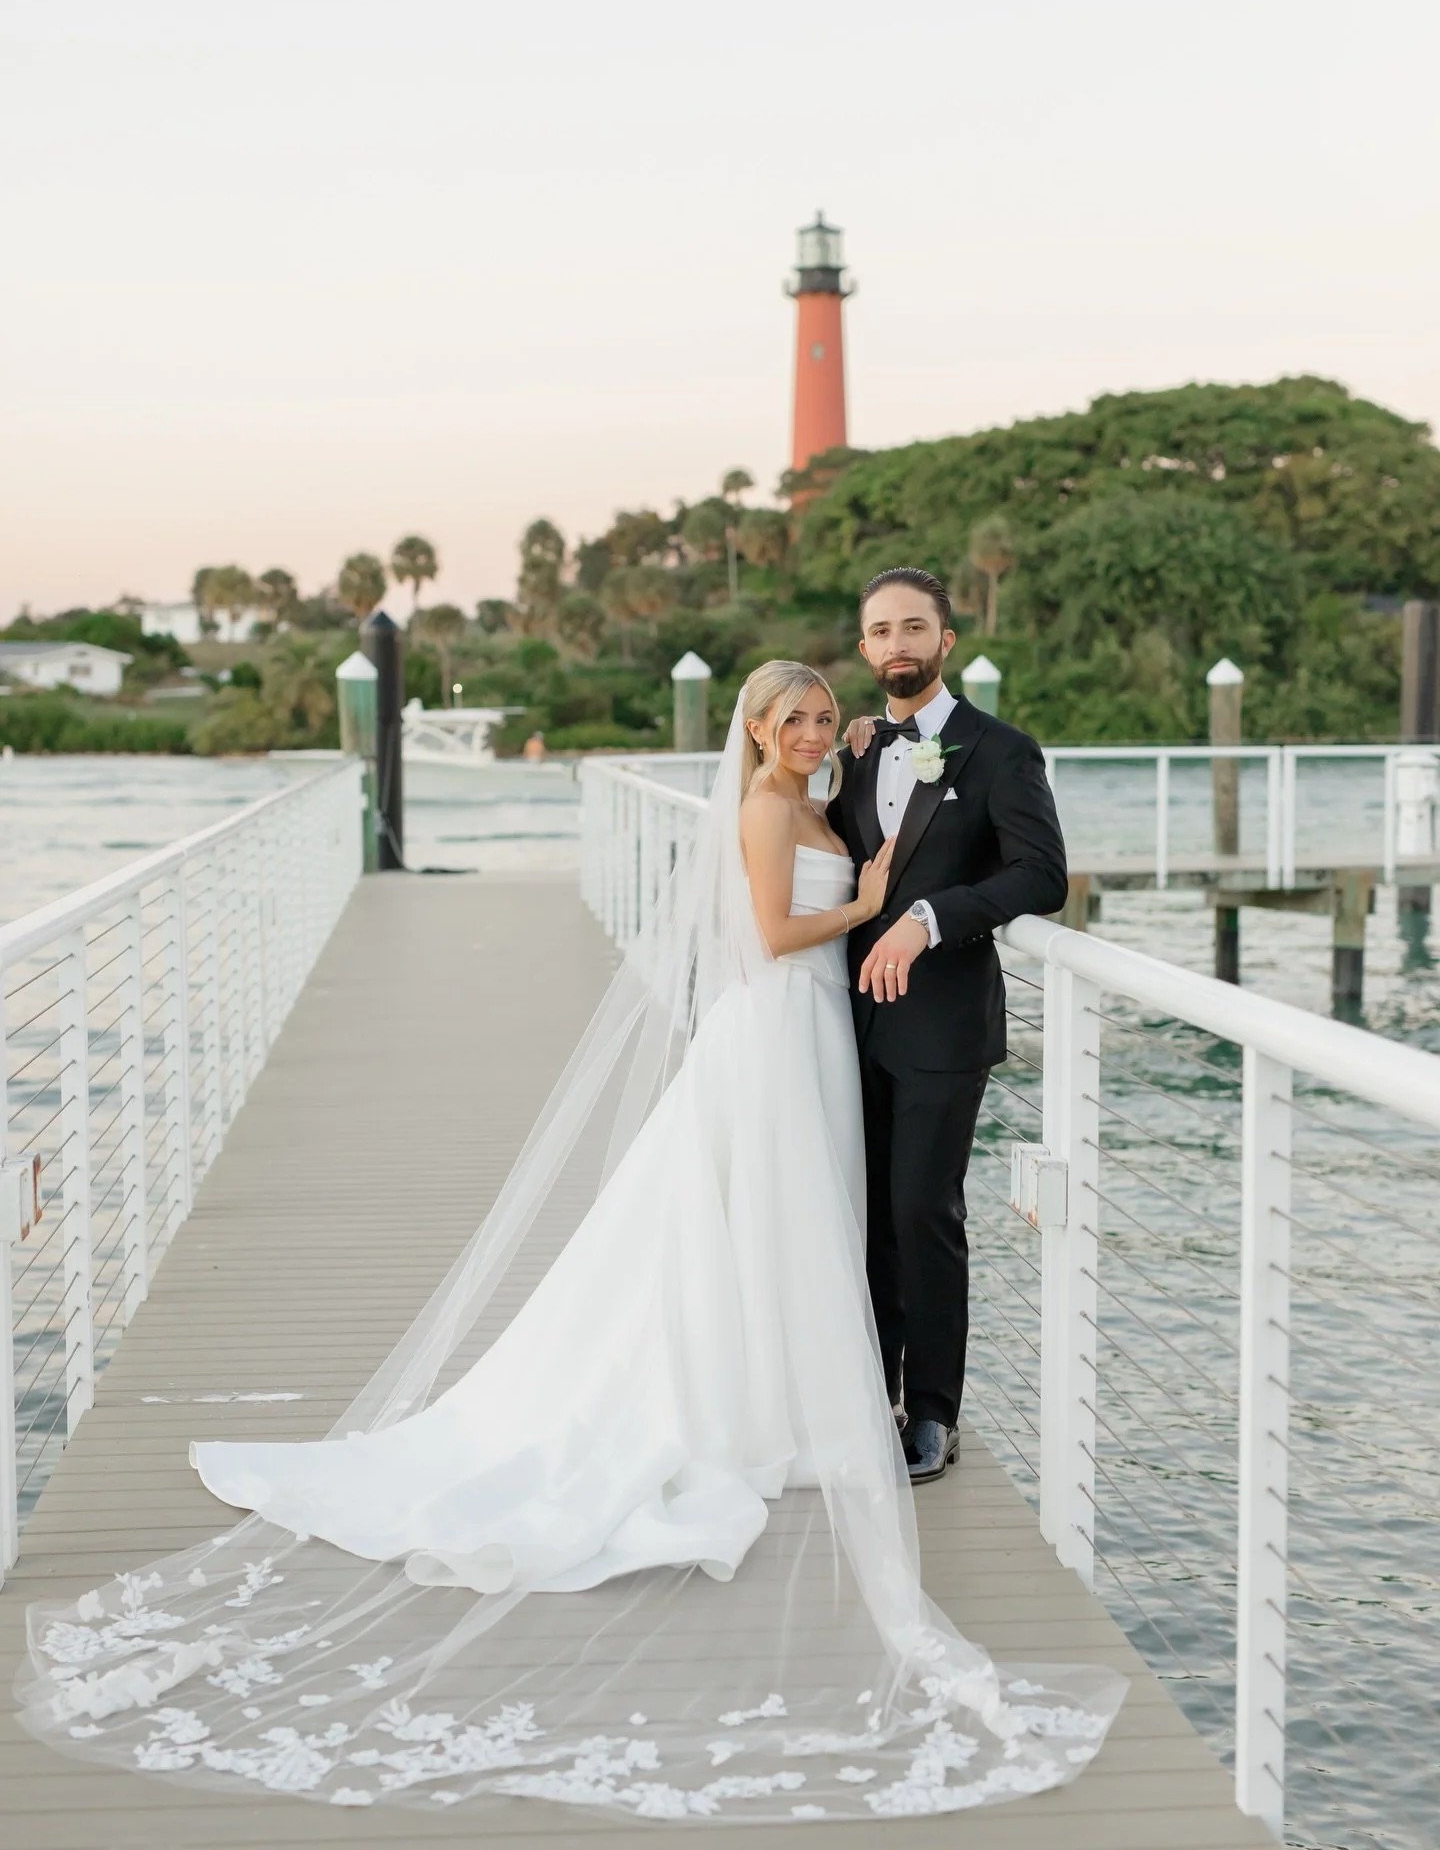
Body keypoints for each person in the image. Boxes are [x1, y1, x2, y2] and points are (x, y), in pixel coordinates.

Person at [19, 659, 1119, 1823]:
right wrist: (875, 898)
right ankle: (740, 1394)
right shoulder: (759, 806)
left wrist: (864, 789)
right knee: (755, 1206)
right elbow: (772, 928)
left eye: (813, 718)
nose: (805, 733)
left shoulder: (823, 788)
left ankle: (786, 1385)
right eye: (787, 720)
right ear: (752, 729)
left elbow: (883, 804)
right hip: (777, 1024)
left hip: (820, 1035)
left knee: (800, 1210)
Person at [830, 569, 1069, 1483]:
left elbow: (1042, 876)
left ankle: (932, 1413)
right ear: (864, 650)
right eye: (881, 629)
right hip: (847, 1021)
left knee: (924, 1212)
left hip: (942, 1027)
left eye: (914, 627)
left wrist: (931, 919)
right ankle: (869, 1392)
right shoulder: (854, 751)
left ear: (946, 641)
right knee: (864, 1216)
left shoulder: (1001, 749)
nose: (898, 642)